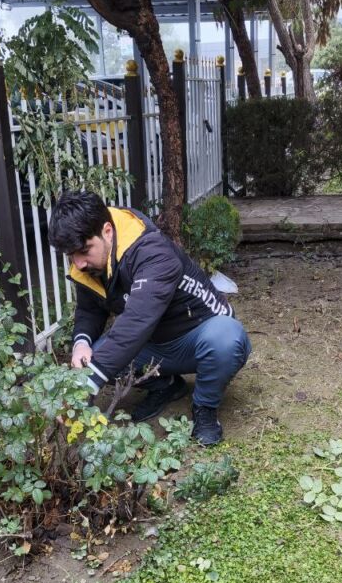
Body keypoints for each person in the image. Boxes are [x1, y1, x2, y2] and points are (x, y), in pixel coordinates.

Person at [49, 191, 252, 446]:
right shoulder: (91, 263)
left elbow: (137, 320)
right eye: (71, 255)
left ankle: (204, 407)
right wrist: (81, 343)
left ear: (107, 231)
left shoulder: (153, 253)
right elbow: (90, 310)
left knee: (227, 339)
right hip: (154, 342)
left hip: (197, 336)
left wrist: (88, 382)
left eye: (84, 251)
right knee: (97, 355)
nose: (78, 263)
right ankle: (167, 386)